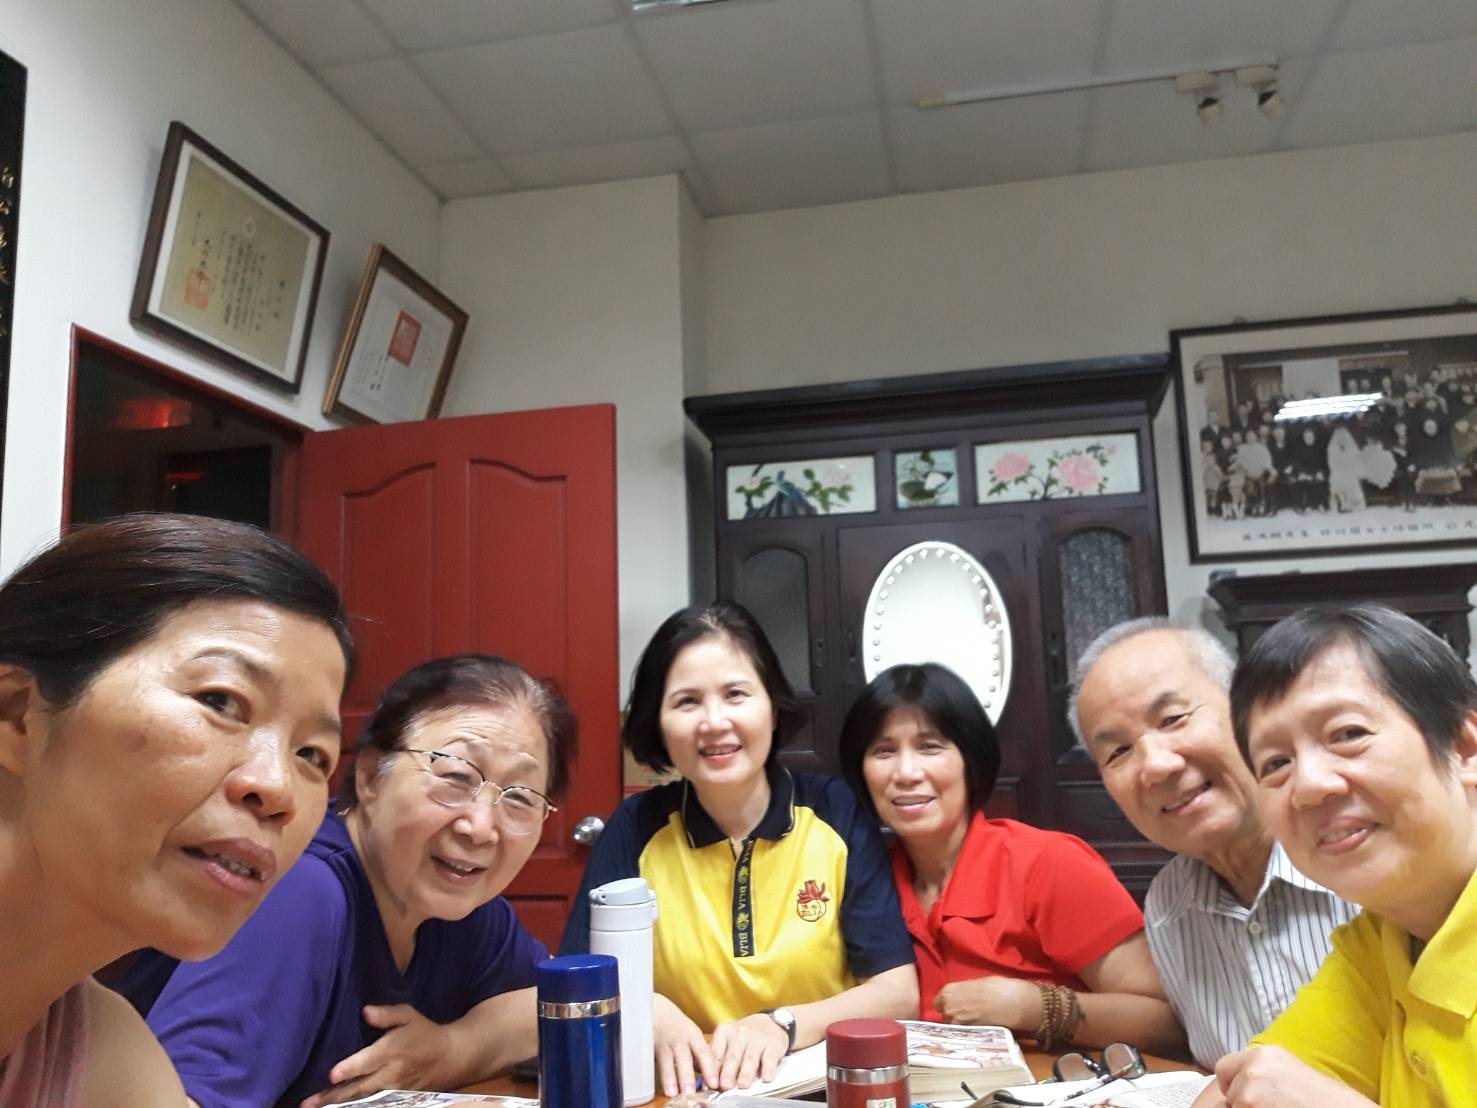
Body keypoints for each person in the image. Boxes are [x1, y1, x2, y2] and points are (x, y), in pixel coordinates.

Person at [0, 513, 353, 1108]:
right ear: (16, 714)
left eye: (312, 755)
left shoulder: (98, 1056)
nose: (278, 790)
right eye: (221, 701)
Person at [118, 653, 573, 1108]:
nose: (481, 827)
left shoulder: (460, 909)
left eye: (520, 797)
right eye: (456, 776)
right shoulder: (301, 891)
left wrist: (456, 1048)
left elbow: (563, 1002)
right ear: (370, 777)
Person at [560, 602, 917, 1097]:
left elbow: (898, 991)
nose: (714, 721)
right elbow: (577, 986)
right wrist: (649, 1010)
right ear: (658, 722)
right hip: (680, 1094)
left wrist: (782, 1024)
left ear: (772, 706)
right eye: (687, 701)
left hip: (816, 1091)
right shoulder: (635, 827)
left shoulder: (834, 811)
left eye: (735, 694)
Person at [1205, 605, 1477, 1107]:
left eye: (1348, 734)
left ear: (1464, 749)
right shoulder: (1381, 944)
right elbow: (1246, 1088)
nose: (1309, 785)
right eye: (1276, 763)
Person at [838, 663, 1182, 1055]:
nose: (905, 772)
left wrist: (1032, 1007)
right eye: (884, 751)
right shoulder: (865, 884)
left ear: (971, 759)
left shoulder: (1047, 864)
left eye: (930, 747)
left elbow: (1167, 1022)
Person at [1069, 619, 1357, 1071]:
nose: (1156, 765)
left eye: (1173, 719)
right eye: (1118, 752)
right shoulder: (1169, 907)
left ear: (1245, 712)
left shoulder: (1365, 856)